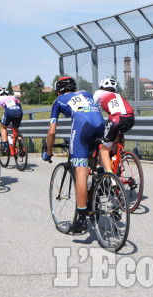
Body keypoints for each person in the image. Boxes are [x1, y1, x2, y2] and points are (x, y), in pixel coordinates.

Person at [42, 76, 105, 233]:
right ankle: (102, 177)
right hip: (100, 124)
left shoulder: (58, 101)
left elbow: (52, 132)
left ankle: (81, 220)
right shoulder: (86, 94)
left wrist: (48, 153)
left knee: (81, 171)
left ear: (58, 91)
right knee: (89, 158)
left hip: (83, 126)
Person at [92, 78, 135, 172]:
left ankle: (110, 177)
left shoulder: (99, 92)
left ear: (101, 87)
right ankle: (119, 160)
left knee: (104, 149)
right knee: (119, 133)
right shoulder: (118, 95)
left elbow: (91, 109)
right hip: (131, 118)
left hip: (116, 118)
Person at [0, 87, 24, 155]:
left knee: (3, 127)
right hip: (19, 111)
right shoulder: (12, 97)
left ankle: (4, 147)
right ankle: (22, 146)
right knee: (16, 129)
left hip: (9, 111)